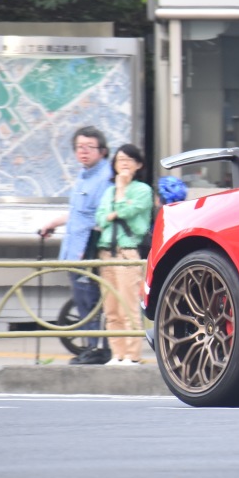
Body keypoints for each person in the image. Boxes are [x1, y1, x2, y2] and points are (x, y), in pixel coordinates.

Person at [38, 126, 114, 365]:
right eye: (79, 147)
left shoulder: (106, 177)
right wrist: (52, 223)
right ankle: (90, 346)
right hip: (74, 247)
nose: (83, 152)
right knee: (82, 299)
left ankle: (98, 349)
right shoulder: (84, 174)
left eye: (89, 147)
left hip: (89, 248)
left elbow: (100, 216)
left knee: (91, 300)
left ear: (102, 151)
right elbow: (77, 213)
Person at [95, 144, 154, 366]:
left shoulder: (142, 190)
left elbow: (130, 214)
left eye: (129, 159)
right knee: (111, 307)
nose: (124, 163)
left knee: (129, 305)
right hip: (105, 252)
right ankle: (117, 354)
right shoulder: (108, 191)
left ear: (138, 164)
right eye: (120, 159)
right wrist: (114, 210)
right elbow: (101, 218)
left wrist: (120, 195)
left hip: (127, 252)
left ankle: (132, 355)